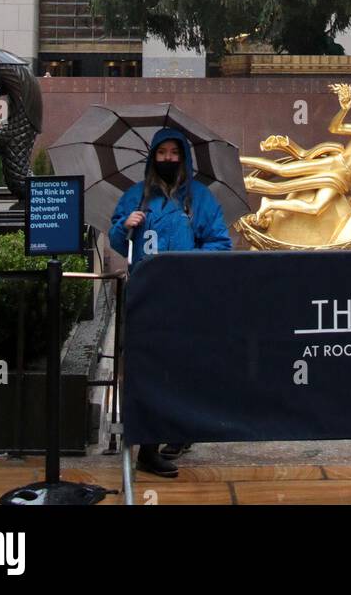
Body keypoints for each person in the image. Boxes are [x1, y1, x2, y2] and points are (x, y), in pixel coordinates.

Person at [109, 129, 231, 479]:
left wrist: (187, 260)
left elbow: (220, 243)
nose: (167, 159)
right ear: (152, 157)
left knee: (184, 365)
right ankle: (147, 447)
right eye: (160, 153)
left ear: (183, 157)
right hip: (146, 298)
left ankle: (179, 430)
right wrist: (124, 227)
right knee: (148, 369)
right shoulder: (136, 197)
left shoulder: (200, 199)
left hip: (186, 297)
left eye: (173, 152)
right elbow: (120, 242)